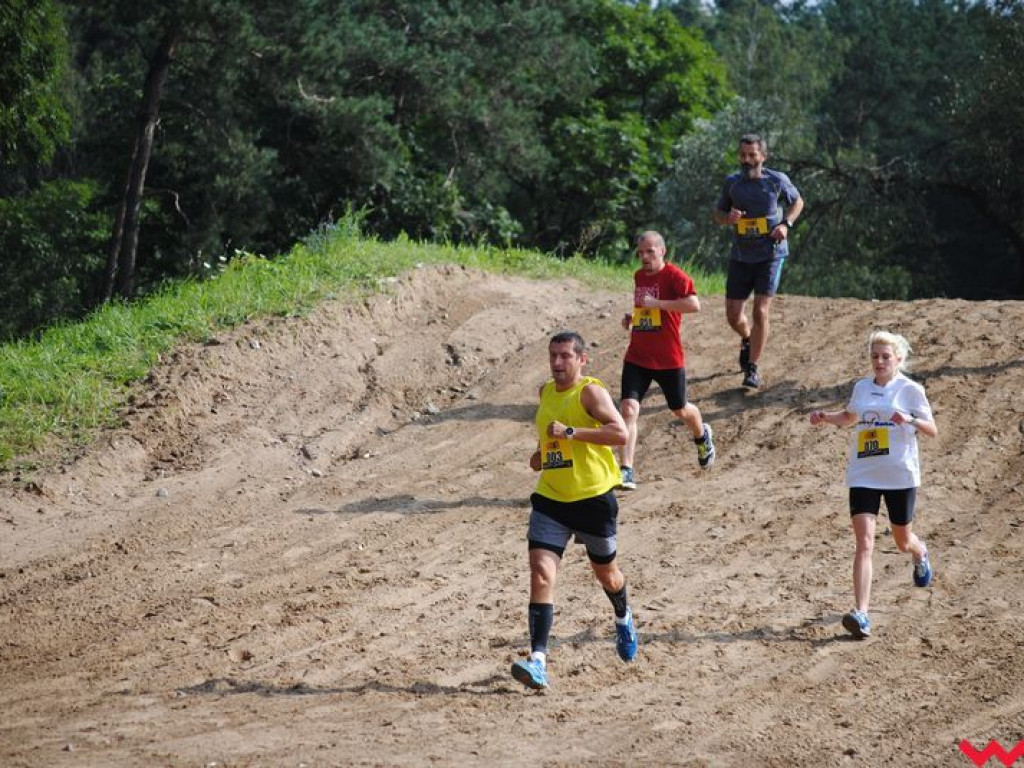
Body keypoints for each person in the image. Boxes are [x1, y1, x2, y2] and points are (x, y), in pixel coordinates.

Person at [511, 331, 637, 690]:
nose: (557, 363)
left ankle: (623, 615)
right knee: (540, 573)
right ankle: (538, 661)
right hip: (551, 498)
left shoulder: (590, 392)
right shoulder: (545, 392)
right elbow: (547, 436)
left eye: (565, 356)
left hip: (593, 499)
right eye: (553, 355)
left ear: (582, 359)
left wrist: (570, 431)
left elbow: (620, 434)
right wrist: (541, 454)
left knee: (607, 576)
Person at [809, 331, 938, 639]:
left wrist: (907, 420)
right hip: (864, 473)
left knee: (902, 540)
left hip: (900, 475)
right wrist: (825, 417)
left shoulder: (910, 389)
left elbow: (932, 429)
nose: (879, 362)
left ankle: (920, 553)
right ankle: (862, 613)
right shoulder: (862, 387)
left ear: (898, 360)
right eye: (875, 356)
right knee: (864, 543)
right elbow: (850, 416)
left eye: (885, 357)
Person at [617, 230, 715, 491]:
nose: (644, 257)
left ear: (662, 251)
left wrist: (659, 303)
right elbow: (645, 310)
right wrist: (633, 319)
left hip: (668, 359)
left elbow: (694, 304)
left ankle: (702, 435)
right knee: (628, 410)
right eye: (640, 253)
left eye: (650, 251)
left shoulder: (674, 276)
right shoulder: (639, 276)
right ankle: (626, 469)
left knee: (680, 410)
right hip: (637, 356)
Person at [713, 133, 804, 389]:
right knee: (733, 315)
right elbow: (718, 214)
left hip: (771, 254)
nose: (747, 160)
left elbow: (797, 201)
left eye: (752, 155)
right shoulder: (732, 183)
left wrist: (786, 224)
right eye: (743, 155)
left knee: (760, 310)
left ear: (763, 156)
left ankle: (752, 368)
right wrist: (727, 218)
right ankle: (747, 338)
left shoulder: (776, 180)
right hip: (741, 256)